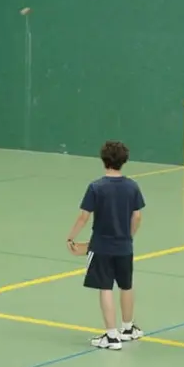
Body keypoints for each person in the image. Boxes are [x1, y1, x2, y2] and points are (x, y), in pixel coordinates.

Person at [66, 140, 144, 350]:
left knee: (105, 287)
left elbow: (84, 216)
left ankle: (111, 336)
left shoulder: (96, 187)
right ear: (124, 161)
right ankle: (128, 328)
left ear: (103, 160)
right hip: (125, 246)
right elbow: (137, 216)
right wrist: (128, 236)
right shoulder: (132, 186)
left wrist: (71, 237)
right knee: (126, 285)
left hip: (102, 247)